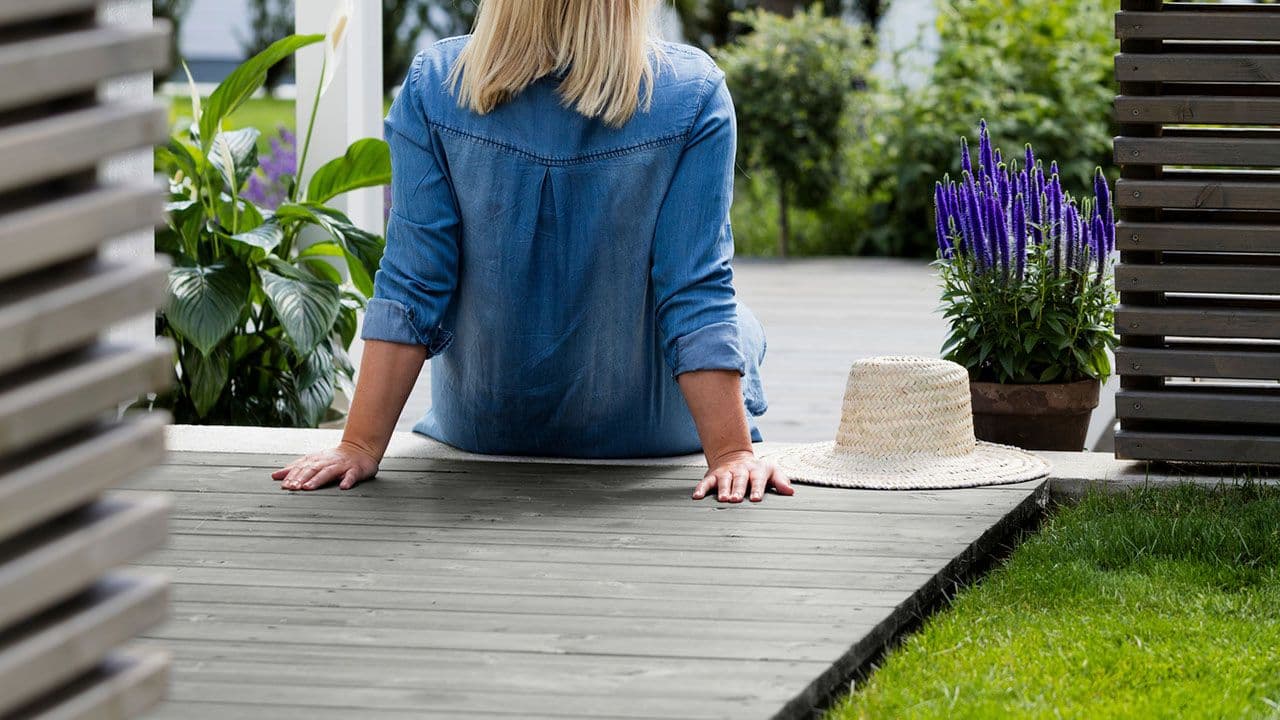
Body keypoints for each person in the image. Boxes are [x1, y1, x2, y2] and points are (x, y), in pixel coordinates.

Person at [272, 0, 793, 503]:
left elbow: (412, 281)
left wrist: (358, 444)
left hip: (483, 426)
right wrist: (730, 454)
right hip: (651, 432)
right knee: (743, 325)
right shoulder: (694, 93)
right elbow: (694, 290)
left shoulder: (435, 84)